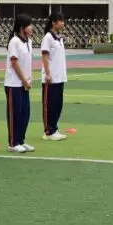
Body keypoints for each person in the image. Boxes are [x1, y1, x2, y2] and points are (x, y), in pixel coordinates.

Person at [4, 14, 35, 154]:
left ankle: (21, 140)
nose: (32, 27)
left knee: (25, 113)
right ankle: (13, 142)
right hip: (14, 84)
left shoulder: (29, 41)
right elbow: (14, 63)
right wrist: (23, 80)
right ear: (22, 27)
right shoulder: (14, 41)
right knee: (15, 113)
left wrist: (29, 79)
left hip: (25, 84)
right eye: (29, 25)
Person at [41, 12, 68, 142]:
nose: (63, 23)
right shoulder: (48, 37)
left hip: (60, 76)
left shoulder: (59, 37)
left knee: (58, 104)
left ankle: (54, 128)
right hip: (50, 77)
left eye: (63, 21)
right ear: (53, 22)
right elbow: (45, 56)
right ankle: (48, 131)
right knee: (49, 105)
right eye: (60, 21)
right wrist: (47, 73)